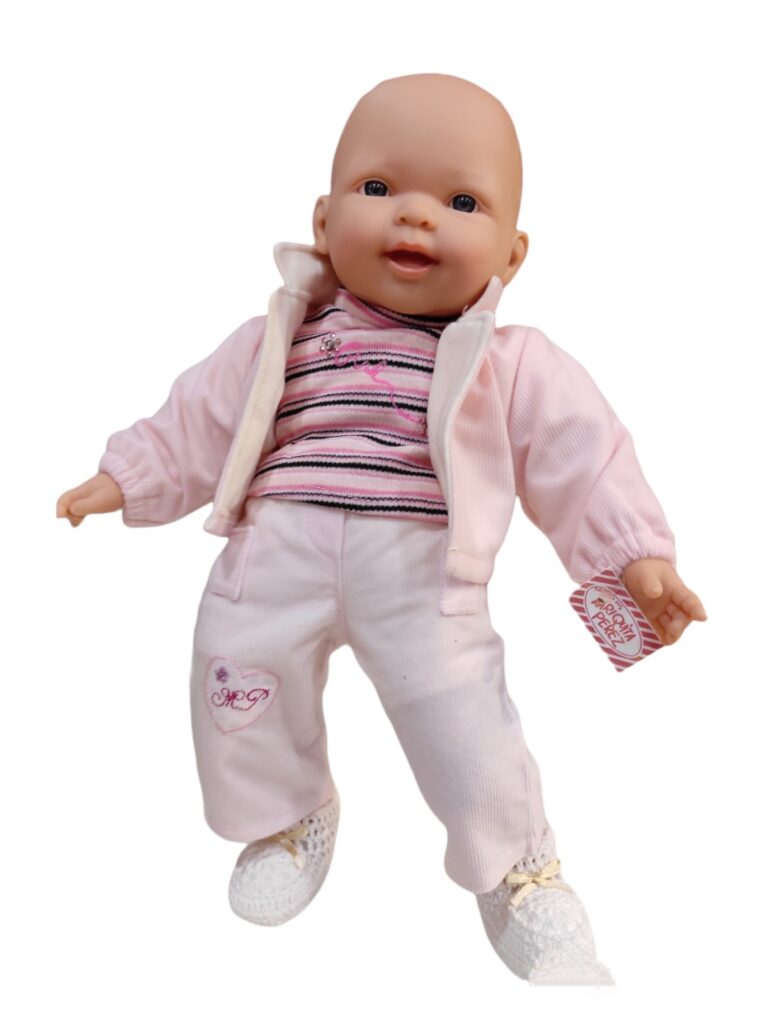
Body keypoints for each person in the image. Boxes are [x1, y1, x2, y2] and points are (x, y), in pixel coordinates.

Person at [56, 73, 706, 985]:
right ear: (323, 222)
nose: (415, 215)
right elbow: (198, 417)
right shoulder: (281, 333)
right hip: (273, 552)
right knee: (236, 679)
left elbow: (583, 456)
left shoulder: (511, 362)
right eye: (378, 187)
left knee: (463, 725)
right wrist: (126, 475)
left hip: (422, 572)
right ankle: (290, 815)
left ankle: (519, 870)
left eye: (462, 202)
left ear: (512, 253)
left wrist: (634, 558)